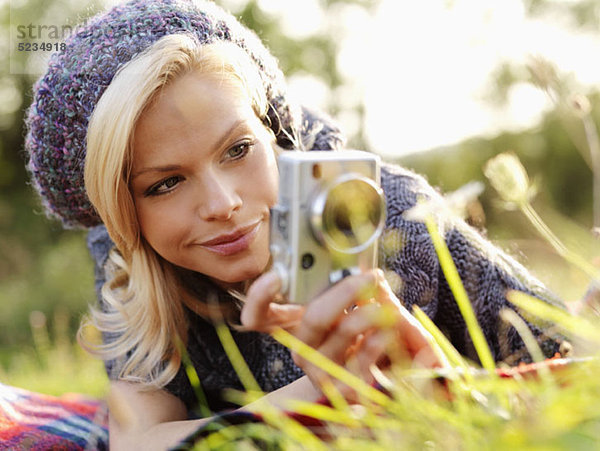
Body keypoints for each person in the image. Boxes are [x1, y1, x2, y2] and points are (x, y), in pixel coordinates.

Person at [24, 0, 566, 448]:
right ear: (123, 214)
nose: (222, 203)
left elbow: (573, 359)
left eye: (237, 149)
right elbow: (138, 438)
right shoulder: (126, 261)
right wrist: (315, 394)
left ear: (272, 133)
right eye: (165, 183)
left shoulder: (381, 212)